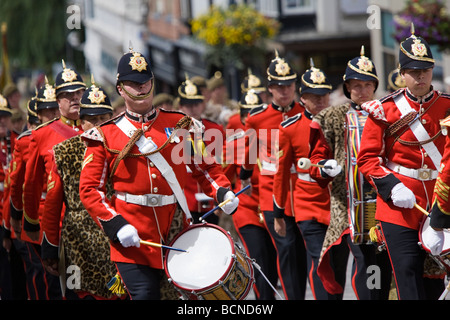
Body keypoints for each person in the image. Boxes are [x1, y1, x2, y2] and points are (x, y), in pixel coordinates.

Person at [79, 50, 238, 300]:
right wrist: (115, 224)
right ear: (121, 89)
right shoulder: (104, 135)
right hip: (131, 234)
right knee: (145, 295)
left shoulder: (182, 125)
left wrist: (222, 191)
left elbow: (205, 167)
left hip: (176, 230)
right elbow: (90, 190)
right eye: (133, 84)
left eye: (145, 82)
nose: (141, 89)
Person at [357, 28, 448, 300]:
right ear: (401, 72)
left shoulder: (447, 106)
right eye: (413, 70)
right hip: (399, 204)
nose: (420, 76)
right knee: (406, 273)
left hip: (438, 201)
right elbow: (367, 158)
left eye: (426, 70)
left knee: (436, 278)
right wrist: (392, 186)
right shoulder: (383, 109)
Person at [308, 46, 391, 300]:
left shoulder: (389, 112)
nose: (362, 91)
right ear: (347, 87)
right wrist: (325, 168)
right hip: (348, 206)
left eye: (367, 85)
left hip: (386, 201)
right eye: (356, 86)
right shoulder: (331, 117)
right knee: (364, 261)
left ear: (375, 85)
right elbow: (314, 162)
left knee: (382, 263)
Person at [39, 78, 118, 300]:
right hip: (78, 244)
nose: (99, 125)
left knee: (119, 294)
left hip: (117, 237)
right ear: (81, 122)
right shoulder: (63, 152)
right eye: (92, 120)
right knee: (79, 294)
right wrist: (50, 249)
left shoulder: (124, 149)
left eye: (103, 118)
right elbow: (53, 204)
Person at [240, 50, 307, 300]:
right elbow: (249, 153)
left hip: (301, 191)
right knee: (287, 248)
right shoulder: (257, 118)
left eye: (288, 85)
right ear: (269, 89)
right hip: (271, 193)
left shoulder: (305, 112)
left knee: (302, 251)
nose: (284, 91)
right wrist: (245, 173)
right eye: (278, 87)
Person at [273, 61, 338, 300]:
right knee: (318, 258)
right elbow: (280, 173)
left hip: (337, 202)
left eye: (324, 95)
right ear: (303, 98)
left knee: (336, 261)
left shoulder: (342, 122)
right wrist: (279, 212)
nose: (320, 100)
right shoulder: (289, 128)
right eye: (313, 95)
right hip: (307, 202)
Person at [22, 62, 86, 299]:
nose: (75, 99)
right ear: (58, 101)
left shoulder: (100, 129)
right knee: (73, 290)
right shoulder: (42, 135)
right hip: (63, 230)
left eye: (79, 93)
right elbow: (32, 185)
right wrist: (33, 226)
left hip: (103, 228)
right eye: (67, 95)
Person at [223, 89, 279, 300]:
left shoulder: (272, 139)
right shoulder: (233, 143)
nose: (249, 119)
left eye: (254, 113)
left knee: (274, 259)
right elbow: (224, 177)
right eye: (246, 113)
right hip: (246, 207)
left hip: (271, 206)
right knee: (258, 257)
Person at [177, 75, 226, 225]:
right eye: (187, 104)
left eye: (197, 103)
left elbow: (224, 165)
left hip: (212, 202)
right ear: (180, 106)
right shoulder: (172, 133)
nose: (192, 108)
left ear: (203, 104)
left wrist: (222, 197)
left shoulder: (215, 129)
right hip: (184, 202)